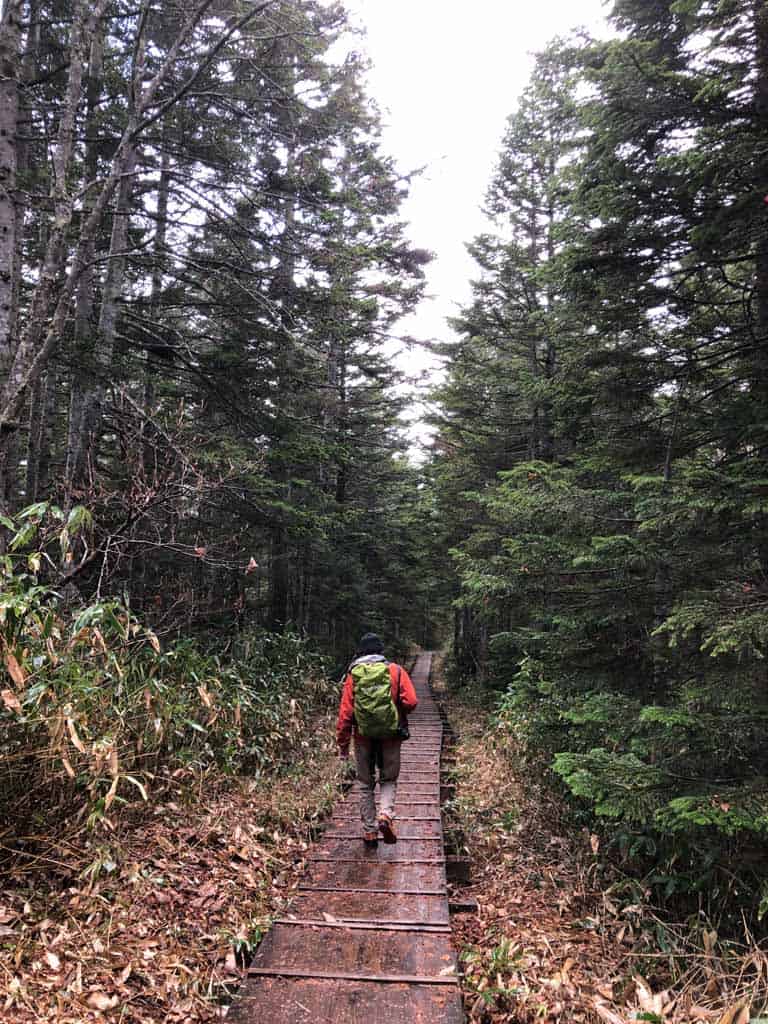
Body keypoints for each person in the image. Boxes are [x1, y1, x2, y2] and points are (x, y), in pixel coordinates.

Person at [336, 633, 418, 848]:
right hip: (391, 735)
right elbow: (411, 701)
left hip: (362, 737)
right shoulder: (395, 671)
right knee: (388, 779)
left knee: (365, 783)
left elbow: (345, 714)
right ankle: (385, 814)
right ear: (381, 651)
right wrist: (396, 711)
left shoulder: (354, 675)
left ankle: (370, 832)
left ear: (361, 652)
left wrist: (343, 745)